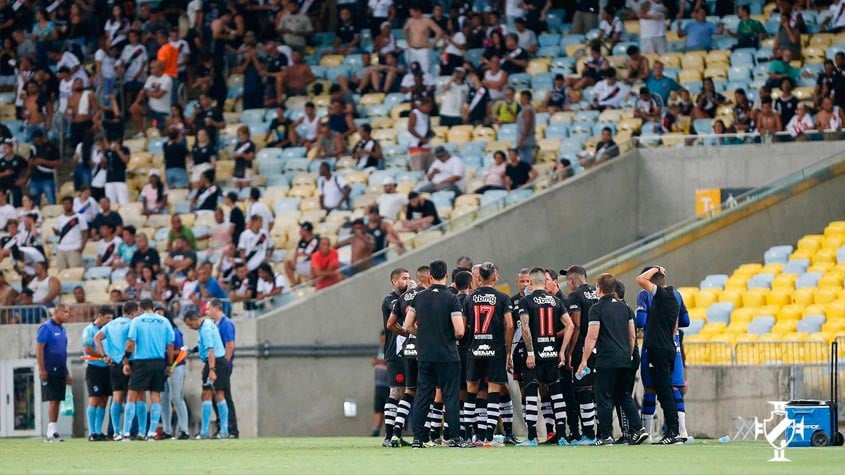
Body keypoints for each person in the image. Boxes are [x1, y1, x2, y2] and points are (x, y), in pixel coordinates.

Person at [577, 273, 649, 446]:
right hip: (625, 359)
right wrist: (628, 354)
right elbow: (633, 335)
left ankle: (605, 435)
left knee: (603, 397)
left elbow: (592, 337)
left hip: (606, 359)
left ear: (599, 289)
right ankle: (639, 429)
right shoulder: (626, 308)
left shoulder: (596, 308)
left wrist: (584, 360)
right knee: (624, 395)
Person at [403, 260, 465, 447]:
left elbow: (407, 325)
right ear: (446, 276)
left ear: (430, 276)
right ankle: (453, 437)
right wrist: (449, 337)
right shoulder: (452, 298)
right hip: (447, 355)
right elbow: (460, 330)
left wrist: (422, 336)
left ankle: (417, 438)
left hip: (425, 354)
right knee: (451, 396)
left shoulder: (419, 297)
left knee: (423, 395)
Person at [513, 267, 575, 447]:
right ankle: (562, 436)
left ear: (531, 283)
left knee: (531, 393)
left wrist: (530, 352)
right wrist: (562, 351)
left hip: (535, 355)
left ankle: (532, 437)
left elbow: (525, 327)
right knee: (557, 394)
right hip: (552, 354)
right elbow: (570, 325)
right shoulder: (555, 301)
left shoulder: (526, 301)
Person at [462, 262, 514, 447]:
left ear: (479, 277)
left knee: (471, 392)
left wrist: (470, 343)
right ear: (494, 277)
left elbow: (463, 325)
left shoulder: (469, 298)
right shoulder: (502, 297)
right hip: (495, 349)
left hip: (474, 349)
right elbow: (510, 324)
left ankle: (469, 437)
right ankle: (489, 438)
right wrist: (507, 348)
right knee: (493, 390)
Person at [635, 266, 686, 445]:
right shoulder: (673, 298)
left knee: (664, 392)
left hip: (658, 349)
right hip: (667, 348)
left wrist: (656, 269)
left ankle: (673, 431)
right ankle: (675, 431)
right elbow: (674, 328)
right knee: (666, 390)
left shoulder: (662, 295)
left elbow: (640, 280)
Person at [120, 298, 175, 441]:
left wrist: (125, 360)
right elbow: (170, 345)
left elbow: (131, 343)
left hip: (141, 361)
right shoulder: (164, 321)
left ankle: (126, 433)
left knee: (132, 395)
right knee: (155, 397)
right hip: (158, 362)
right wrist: (169, 364)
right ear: (153, 307)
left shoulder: (137, 321)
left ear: (140, 308)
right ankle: (150, 433)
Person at [562, 265, 599, 445]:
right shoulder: (597, 292)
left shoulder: (575, 296)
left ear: (572, 280)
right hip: (601, 348)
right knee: (598, 391)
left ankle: (588, 434)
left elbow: (575, 325)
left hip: (583, 348)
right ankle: (602, 432)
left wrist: (569, 351)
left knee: (583, 390)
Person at [94, 301, 139, 440]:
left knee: (117, 398)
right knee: (132, 398)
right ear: (133, 312)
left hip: (114, 364)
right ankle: (128, 432)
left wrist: (104, 356)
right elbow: (131, 343)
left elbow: (97, 338)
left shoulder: (111, 324)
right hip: (128, 362)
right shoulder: (133, 324)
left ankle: (116, 432)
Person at [183, 309, 230, 439]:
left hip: (215, 364)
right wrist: (193, 350)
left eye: (190, 324)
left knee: (212, 395)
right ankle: (221, 430)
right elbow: (206, 345)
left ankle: (209, 431)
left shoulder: (205, 329)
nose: (190, 327)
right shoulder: (208, 324)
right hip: (218, 362)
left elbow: (211, 350)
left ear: (195, 319)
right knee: (212, 395)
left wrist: (212, 369)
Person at [380, 268, 410, 446]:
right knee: (396, 391)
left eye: (409, 278)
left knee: (409, 391)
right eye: (404, 278)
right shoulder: (389, 299)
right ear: (395, 282)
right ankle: (388, 435)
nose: (408, 281)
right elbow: (401, 310)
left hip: (410, 351)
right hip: (395, 352)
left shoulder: (409, 298)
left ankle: (397, 434)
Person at [36, 303, 70, 442]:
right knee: (53, 399)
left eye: (69, 312)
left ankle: (53, 430)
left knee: (58, 399)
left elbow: (63, 353)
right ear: (57, 311)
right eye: (65, 312)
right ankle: (51, 432)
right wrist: (42, 369)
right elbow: (39, 349)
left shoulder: (62, 330)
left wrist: (67, 372)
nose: (68, 315)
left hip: (61, 369)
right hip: (50, 369)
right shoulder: (46, 328)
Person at [81, 305, 115, 441]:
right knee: (94, 398)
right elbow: (87, 348)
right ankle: (92, 432)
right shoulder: (89, 330)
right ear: (99, 316)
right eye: (107, 318)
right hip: (94, 368)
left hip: (107, 368)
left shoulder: (109, 330)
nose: (109, 321)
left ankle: (99, 431)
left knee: (104, 400)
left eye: (111, 319)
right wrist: (102, 356)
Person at [156, 305, 189, 439]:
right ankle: (167, 430)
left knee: (177, 398)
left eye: (160, 313)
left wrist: (166, 353)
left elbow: (181, 351)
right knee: (163, 399)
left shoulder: (174, 331)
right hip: (162, 367)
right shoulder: (158, 333)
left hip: (176, 366)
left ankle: (184, 430)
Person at [207, 298, 238, 438]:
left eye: (208, 309)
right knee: (217, 397)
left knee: (224, 396)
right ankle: (222, 426)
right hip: (219, 365)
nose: (207, 312)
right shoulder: (216, 324)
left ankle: (231, 429)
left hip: (222, 366)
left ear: (216, 308)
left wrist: (224, 364)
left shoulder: (226, 324)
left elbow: (230, 345)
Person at [129, 60, 172, 136]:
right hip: (150, 108)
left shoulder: (167, 79)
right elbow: (143, 91)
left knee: (161, 133)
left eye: (154, 68)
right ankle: (142, 132)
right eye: (151, 68)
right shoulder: (150, 78)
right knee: (134, 108)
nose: (151, 70)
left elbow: (159, 95)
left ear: (160, 68)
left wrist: (147, 93)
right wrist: (136, 102)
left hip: (162, 110)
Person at [402, 4, 443, 74]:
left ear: (418, 11)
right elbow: (404, 30)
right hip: (412, 49)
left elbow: (439, 31)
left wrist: (433, 43)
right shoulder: (410, 21)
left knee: (425, 70)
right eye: (410, 13)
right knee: (412, 70)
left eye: (412, 12)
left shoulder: (427, 21)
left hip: (423, 49)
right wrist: (408, 40)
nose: (411, 14)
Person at [54, 196, 88, 270]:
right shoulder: (60, 218)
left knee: (75, 270)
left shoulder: (79, 217)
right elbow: (58, 233)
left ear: (72, 204)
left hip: (74, 248)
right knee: (61, 271)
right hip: (61, 248)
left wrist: (81, 248)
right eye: (64, 204)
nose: (66, 206)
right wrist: (55, 231)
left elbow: (85, 234)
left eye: (68, 204)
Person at [27, 130, 59, 205]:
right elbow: (30, 162)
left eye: (38, 140)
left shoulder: (52, 147)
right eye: (35, 140)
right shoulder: (33, 147)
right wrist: (31, 163)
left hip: (47, 178)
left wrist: (43, 161)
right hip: (34, 179)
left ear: (42, 138)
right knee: (33, 202)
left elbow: (58, 163)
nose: (37, 142)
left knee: (51, 201)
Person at [373, 330, 390, 437]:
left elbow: (387, 361)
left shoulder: (389, 348)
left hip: (388, 384)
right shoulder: (380, 349)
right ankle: (376, 430)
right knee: (378, 407)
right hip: (379, 383)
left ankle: (390, 429)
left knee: (389, 407)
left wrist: (379, 361)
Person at [516, 90, 536, 164]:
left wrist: (522, 139)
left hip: (525, 141)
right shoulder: (525, 108)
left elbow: (528, 123)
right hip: (525, 139)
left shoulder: (527, 109)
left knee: (525, 162)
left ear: (524, 98)